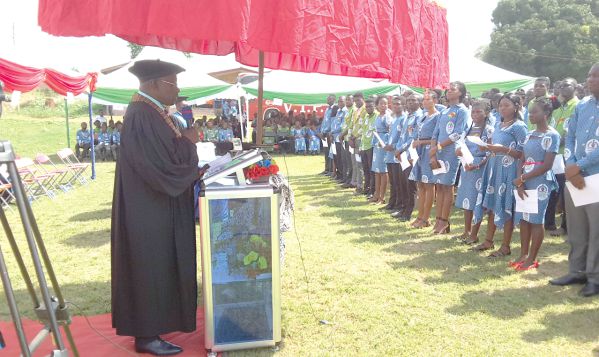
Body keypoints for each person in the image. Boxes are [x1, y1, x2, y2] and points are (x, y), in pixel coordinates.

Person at [112, 59, 202, 355]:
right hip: (147, 209)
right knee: (149, 265)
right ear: (153, 84)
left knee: (158, 265)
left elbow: (165, 156)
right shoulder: (142, 115)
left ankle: (156, 326)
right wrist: (188, 143)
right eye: (173, 83)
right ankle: (146, 335)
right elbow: (159, 166)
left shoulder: (153, 112)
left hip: (155, 204)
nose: (177, 89)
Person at [550, 63, 599, 297]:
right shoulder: (583, 106)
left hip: (595, 177)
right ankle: (576, 270)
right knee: (577, 228)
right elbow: (569, 138)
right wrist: (571, 165)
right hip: (575, 176)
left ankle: (595, 277)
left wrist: (578, 167)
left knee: (596, 230)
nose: (590, 80)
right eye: (589, 75)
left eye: (595, 76)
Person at [471, 94, 528, 258]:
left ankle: (505, 246)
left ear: (516, 107)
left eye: (506, 105)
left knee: (505, 205)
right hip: (494, 168)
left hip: (509, 170)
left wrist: (503, 149)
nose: (502, 108)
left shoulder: (519, 127)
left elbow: (523, 153)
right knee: (492, 204)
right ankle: (488, 240)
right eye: (500, 105)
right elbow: (495, 146)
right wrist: (487, 147)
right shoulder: (499, 124)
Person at [512, 98, 560, 270]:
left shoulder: (552, 135)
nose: (530, 115)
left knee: (536, 220)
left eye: (534, 112)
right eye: (529, 112)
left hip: (540, 182)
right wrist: (520, 181)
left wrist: (523, 179)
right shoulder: (529, 134)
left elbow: (546, 165)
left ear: (546, 114)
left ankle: (532, 258)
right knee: (525, 219)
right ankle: (523, 254)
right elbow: (521, 160)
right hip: (524, 181)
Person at [429, 82, 469, 234]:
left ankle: (444, 221)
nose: (448, 91)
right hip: (439, 152)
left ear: (460, 93)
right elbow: (436, 132)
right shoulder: (445, 111)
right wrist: (433, 150)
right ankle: (438, 219)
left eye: (453, 89)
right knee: (439, 185)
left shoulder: (462, 111)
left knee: (447, 186)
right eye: (448, 88)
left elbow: (458, 133)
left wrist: (438, 147)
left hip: (451, 153)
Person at [454, 100, 492, 244]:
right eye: (473, 112)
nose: (475, 114)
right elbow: (461, 144)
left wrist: (477, 165)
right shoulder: (469, 128)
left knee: (477, 201)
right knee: (467, 200)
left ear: (486, 113)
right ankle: (467, 230)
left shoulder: (489, 130)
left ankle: (474, 233)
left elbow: (490, 152)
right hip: (466, 166)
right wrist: (459, 151)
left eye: (479, 112)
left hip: (479, 169)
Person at [545, 78, 579, 236]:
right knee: (555, 189)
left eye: (566, 85)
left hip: (569, 155)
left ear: (575, 87)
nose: (562, 87)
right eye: (560, 85)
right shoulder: (557, 108)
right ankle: (550, 222)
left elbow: (573, 132)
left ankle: (566, 226)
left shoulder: (578, 106)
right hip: (555, 156)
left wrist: (555, 143)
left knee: (568, 191)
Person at [408, 91, 440, 228]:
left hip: (429, 152)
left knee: (428, 185)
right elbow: (416, 134)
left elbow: (436, 138)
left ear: (435, 100)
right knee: (420, 185)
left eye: (428, 99)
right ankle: (420, 216)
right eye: (424, 100)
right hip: (419, 153)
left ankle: (426, 218)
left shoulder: (438, 117)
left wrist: (421, 142)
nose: (424, 102)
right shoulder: (423, 116)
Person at [392, 94, 421, 221]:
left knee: (410, 184)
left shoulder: (419, 116)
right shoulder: (408, 117)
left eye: (413, 100)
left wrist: (400, 149)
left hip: (411, 154)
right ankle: (403, 208)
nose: (410, 103)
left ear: (419, 102)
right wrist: (398, 150)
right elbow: (403, 136)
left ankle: (408, 212)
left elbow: (413, 137)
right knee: (402, 182)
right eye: (408, 101)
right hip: (402, 154)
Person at [383, 96, 404, 212]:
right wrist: (386, 144)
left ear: (403, 105)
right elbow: (391, 135)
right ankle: (392, 202)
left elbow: (403, 138)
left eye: (398, 104)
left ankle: (399, 204)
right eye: (394, 104)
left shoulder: (404, 119)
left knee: (398, 182)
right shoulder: (394, 119)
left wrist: (394, 146)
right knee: (393, 181)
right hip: (390, 155)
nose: (396, 106)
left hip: (397, 154)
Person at [369, 96, 390, 205]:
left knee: (383, 171)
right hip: (377, 144)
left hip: (384, 144)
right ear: (377, 105)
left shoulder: (387, 117)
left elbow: (390, 129)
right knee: (377, 171)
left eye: (385, 103)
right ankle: (376, 194)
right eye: (381, 104)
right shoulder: (378, 116)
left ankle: (382, 196)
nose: (383, 106)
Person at [359, 98, 378, 198]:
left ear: (375, 106)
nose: (368, 108)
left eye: (370, 106)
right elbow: (363, 131)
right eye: (366, 106)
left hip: (372, 146)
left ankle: (372, 190)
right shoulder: (366, 117)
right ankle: (366, 188)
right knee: (365, 169)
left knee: (372, 170)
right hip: (364, 146)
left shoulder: (377, 116)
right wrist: (361, 146)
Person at [348, 92, 366, 193]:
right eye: (355, 101)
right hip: (353, 140)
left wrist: (354, 137)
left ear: (363, 99)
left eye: (358, 100)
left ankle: (360, 185)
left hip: (360, 140)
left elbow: (363, 127)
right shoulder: (355, 111)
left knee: (360, 164)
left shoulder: (365, 110)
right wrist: (350, 137)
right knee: (354, 162)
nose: (356, 103)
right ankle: (355, 183)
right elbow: (352, 125)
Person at [319, 94, 338, 176]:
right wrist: (321, 131)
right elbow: (324, 121)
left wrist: (329, 132)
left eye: (330, 99)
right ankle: (326, 169)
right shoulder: (327, 109)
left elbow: (333, 122)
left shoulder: (335, 108)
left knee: (331, 152)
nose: (328, 100)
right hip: (323, 134)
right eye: (327, 98)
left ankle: (331, 170)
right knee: (326, 151)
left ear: (334, 100)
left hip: (329, 134)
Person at [331, 96, 348, 182]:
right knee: (335, 156)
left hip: (340, 137)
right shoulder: (338, 111)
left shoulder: (345, 111)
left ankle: (342, 176)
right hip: (334, 137)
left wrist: (333, 131)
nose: (340, 103)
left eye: (342, 101)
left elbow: (343, 125)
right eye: (339, 102)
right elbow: (335, 123)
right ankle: (338, 174)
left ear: (345, 102)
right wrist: (332, 132)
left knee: (341, 157)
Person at [340, 95, 355, 187]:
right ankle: (347, 179)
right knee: (346, 160)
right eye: (347, 100)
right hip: (345, 138)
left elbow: (351, 125)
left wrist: (342, 134)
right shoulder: (347, 111)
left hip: (350, 138)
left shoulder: (354, 110)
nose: (347, 101)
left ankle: (350, 181)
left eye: (349, 99)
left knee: (351, 161)